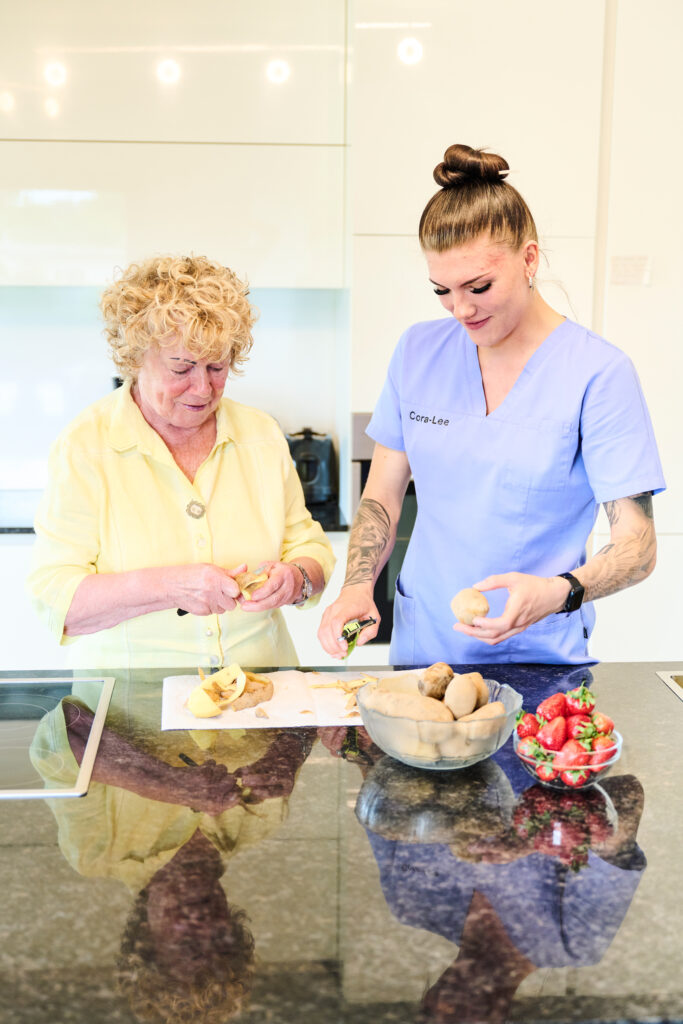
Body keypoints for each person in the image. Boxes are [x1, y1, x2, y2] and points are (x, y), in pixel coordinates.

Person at [319, 144, 665, 665]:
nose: (460, 309)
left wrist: (560, 591)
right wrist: (355, 587)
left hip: (537, 658)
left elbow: (637, 547)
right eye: (442, 290)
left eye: (478, 286)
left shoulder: (598, 373)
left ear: (529, 259)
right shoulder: (417, 352)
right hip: (424, 649)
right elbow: (383, 496)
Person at [27, 255, 335, 669]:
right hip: (130, 708)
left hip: (264, 695)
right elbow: (56, 598)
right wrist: (170, 587)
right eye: (182, 367)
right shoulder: (85, 446)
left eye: (217, 367)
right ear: (135, 359)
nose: (203, 388)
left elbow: (308, 545)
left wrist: (297, 579)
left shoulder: (261, 434)